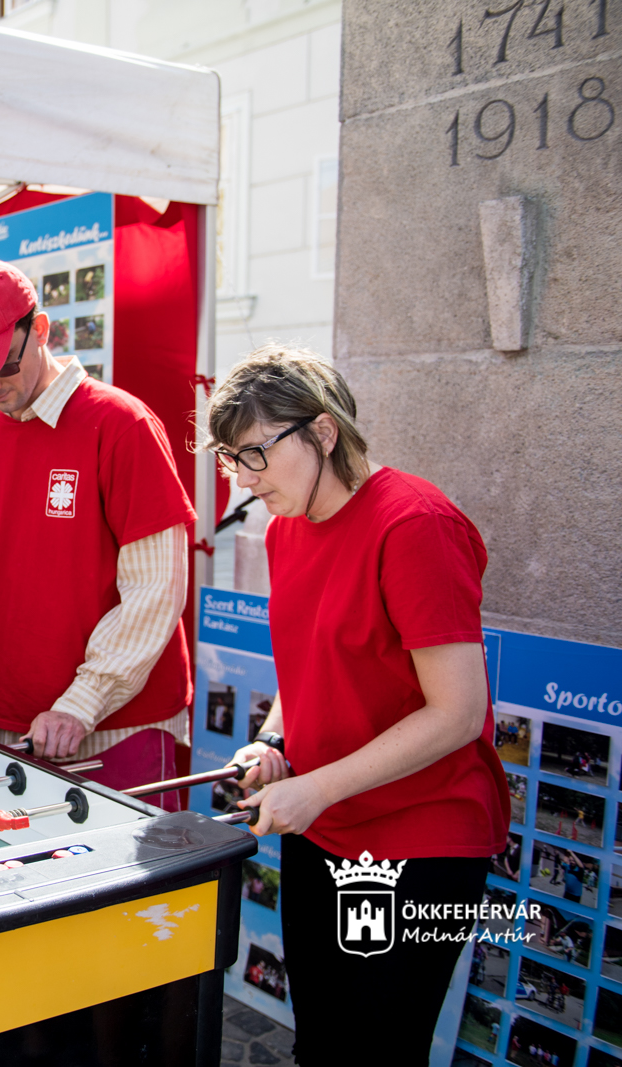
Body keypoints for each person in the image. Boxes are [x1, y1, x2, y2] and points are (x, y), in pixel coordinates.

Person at [209, 344, 507, 1066]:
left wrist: (317, 785)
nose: (244, 480)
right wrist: (273, 742)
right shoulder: (285, 529)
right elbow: (312, 662)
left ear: (323, 432)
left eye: (255, 453)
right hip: (325, 826)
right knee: (324, 1042)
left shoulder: (414, 524)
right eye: (231, 459)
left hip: (419, 841)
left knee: (377, 1050)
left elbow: (458, 712)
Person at [0, 260, 196, 800]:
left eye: (1, 366)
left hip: (121, 727)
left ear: (41, 330)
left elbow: (155, 590)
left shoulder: (121, 424)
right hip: (13, 718)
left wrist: (84, 700)